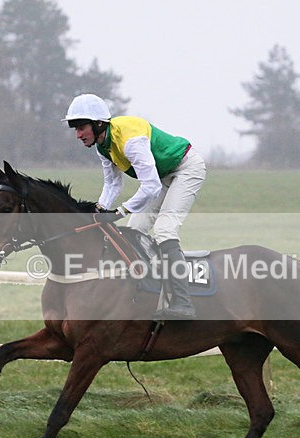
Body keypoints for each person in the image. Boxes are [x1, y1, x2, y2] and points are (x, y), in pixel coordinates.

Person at [62, 93, 206, 320]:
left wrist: (120, 212)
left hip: (186, 169)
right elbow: (112, 184)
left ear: (99, 124)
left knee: (164, 230)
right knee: (134, 231)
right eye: (75, 129)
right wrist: (100, 210)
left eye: (81, 128)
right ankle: (146, 292)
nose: (78, 135)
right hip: (162, 177)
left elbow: (149, 187)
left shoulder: (130, 140)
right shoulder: (103, 146)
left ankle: (183, 302)